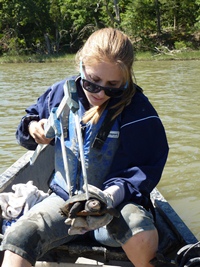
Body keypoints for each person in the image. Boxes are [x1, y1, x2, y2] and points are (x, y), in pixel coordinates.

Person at [0, 27, 169, 267]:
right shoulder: (59, 94)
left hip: (116, 204)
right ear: (81, 67)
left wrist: (109, 195)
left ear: (126, 78)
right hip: (64, 202)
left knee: (140, 231)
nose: (100, 92)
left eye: (112, 86)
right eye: (93, 82)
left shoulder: (138, 110)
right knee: (19, 237)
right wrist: (32, 128)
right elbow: (25, 130)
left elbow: (147, 167)